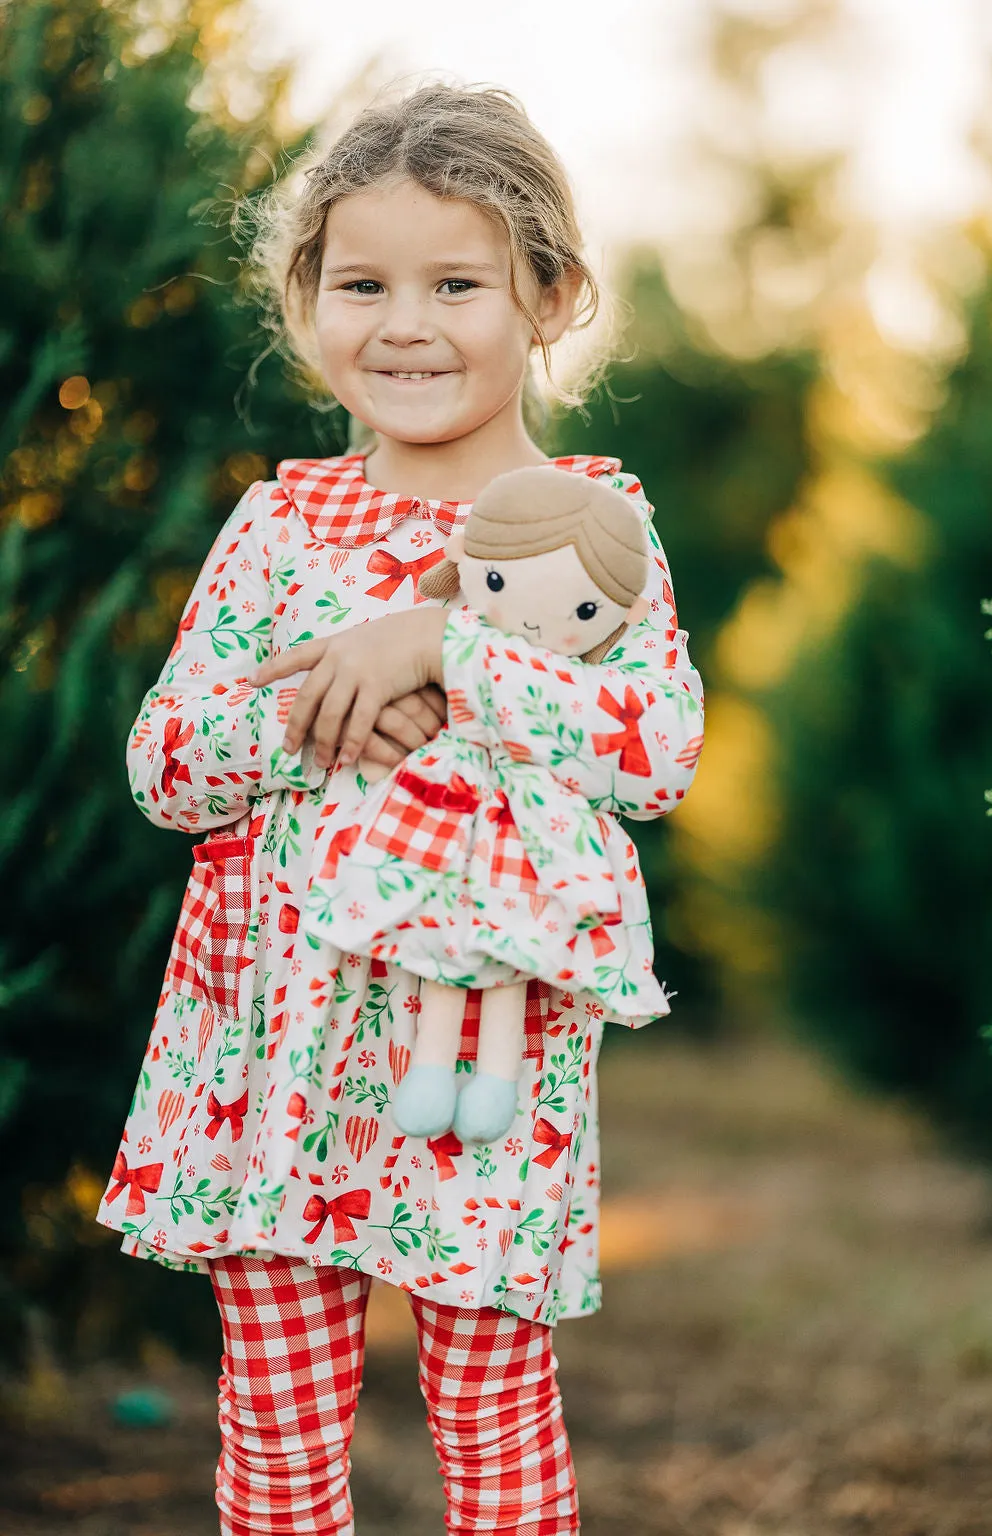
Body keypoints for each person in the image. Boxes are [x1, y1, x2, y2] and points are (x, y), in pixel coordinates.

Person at [96, 80, 705, 1536]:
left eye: (458, 282)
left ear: (548, 297)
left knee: (493, 1424)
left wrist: (448, 651)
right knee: (278, 1429)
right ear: (307, 298)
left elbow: (654, 750)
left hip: (485, 1073)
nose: (407, 323)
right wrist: (331, 712)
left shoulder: (594, 526)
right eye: (361, 282)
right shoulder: (281, 523)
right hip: (272, 1056)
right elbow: (168, 764)